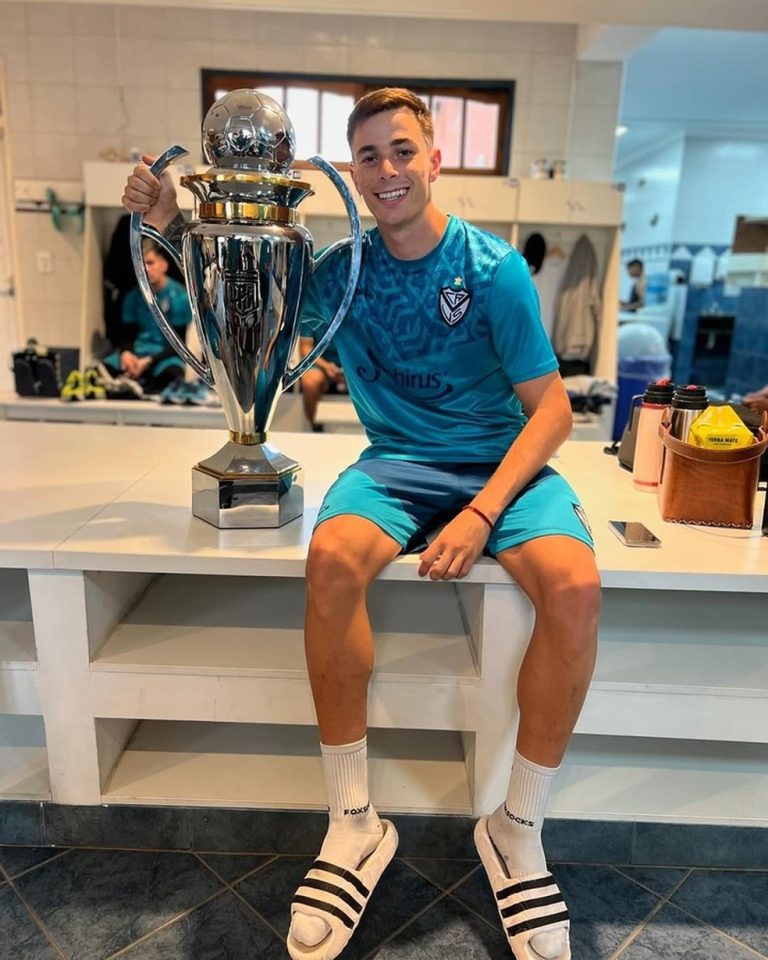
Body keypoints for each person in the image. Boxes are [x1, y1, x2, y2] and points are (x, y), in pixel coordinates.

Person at [122, 88, 600, 960]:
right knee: (333, 562)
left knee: (574, 589)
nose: (387, 170)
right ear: (352, 170)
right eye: (369, 155)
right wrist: (166, 225)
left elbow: (554, 411)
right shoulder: (341, 270)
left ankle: (516, 830)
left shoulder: (492, 270)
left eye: (403, 150)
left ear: (434, 159)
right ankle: (353, 822)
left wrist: (483, 511)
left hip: (498, 465)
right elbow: (241, 298)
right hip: (398, 463)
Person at [101, 239, 191, 394]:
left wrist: (150, 361)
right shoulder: (132, 296)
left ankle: (138, 385)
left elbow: (180, 343)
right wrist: (126, 353)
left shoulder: (179, 296)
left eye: (150, 263)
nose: (146, 269)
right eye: (142, 264)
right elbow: (127, 334)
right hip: (137, 353)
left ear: (164, 265)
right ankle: (133, 383)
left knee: (172, 374)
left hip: (163, 357)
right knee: (101, 370)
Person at [299, 335, 347, 431]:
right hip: (321, 365)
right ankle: (316, 428)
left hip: (353, 365)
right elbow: (305, 349)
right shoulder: (308, 323)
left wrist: (350, 369)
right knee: (310, 382)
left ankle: (375, 427)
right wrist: (326, 367)